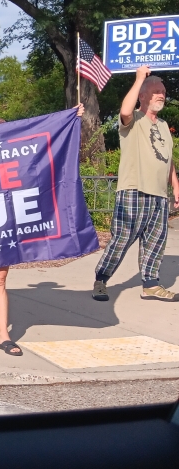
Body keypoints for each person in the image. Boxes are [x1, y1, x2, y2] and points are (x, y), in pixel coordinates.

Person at [0, 105, 85, 356]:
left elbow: (36, 151)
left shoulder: (7, 148)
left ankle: (3, 334)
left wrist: (70, 119)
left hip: (2, 220)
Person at [93, 65, 179, 302]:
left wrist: (175, 185)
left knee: (155, 241)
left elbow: (168, 159)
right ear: (143, 95)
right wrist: (140, 77)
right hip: (134, 190)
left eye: (163, 90)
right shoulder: (133, 121)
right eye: (155, 91)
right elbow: (125, 110)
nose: (161, 94)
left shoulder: (163, 126)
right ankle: (101, 279)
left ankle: (151, 285)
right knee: (122, 239)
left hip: (159, 195)